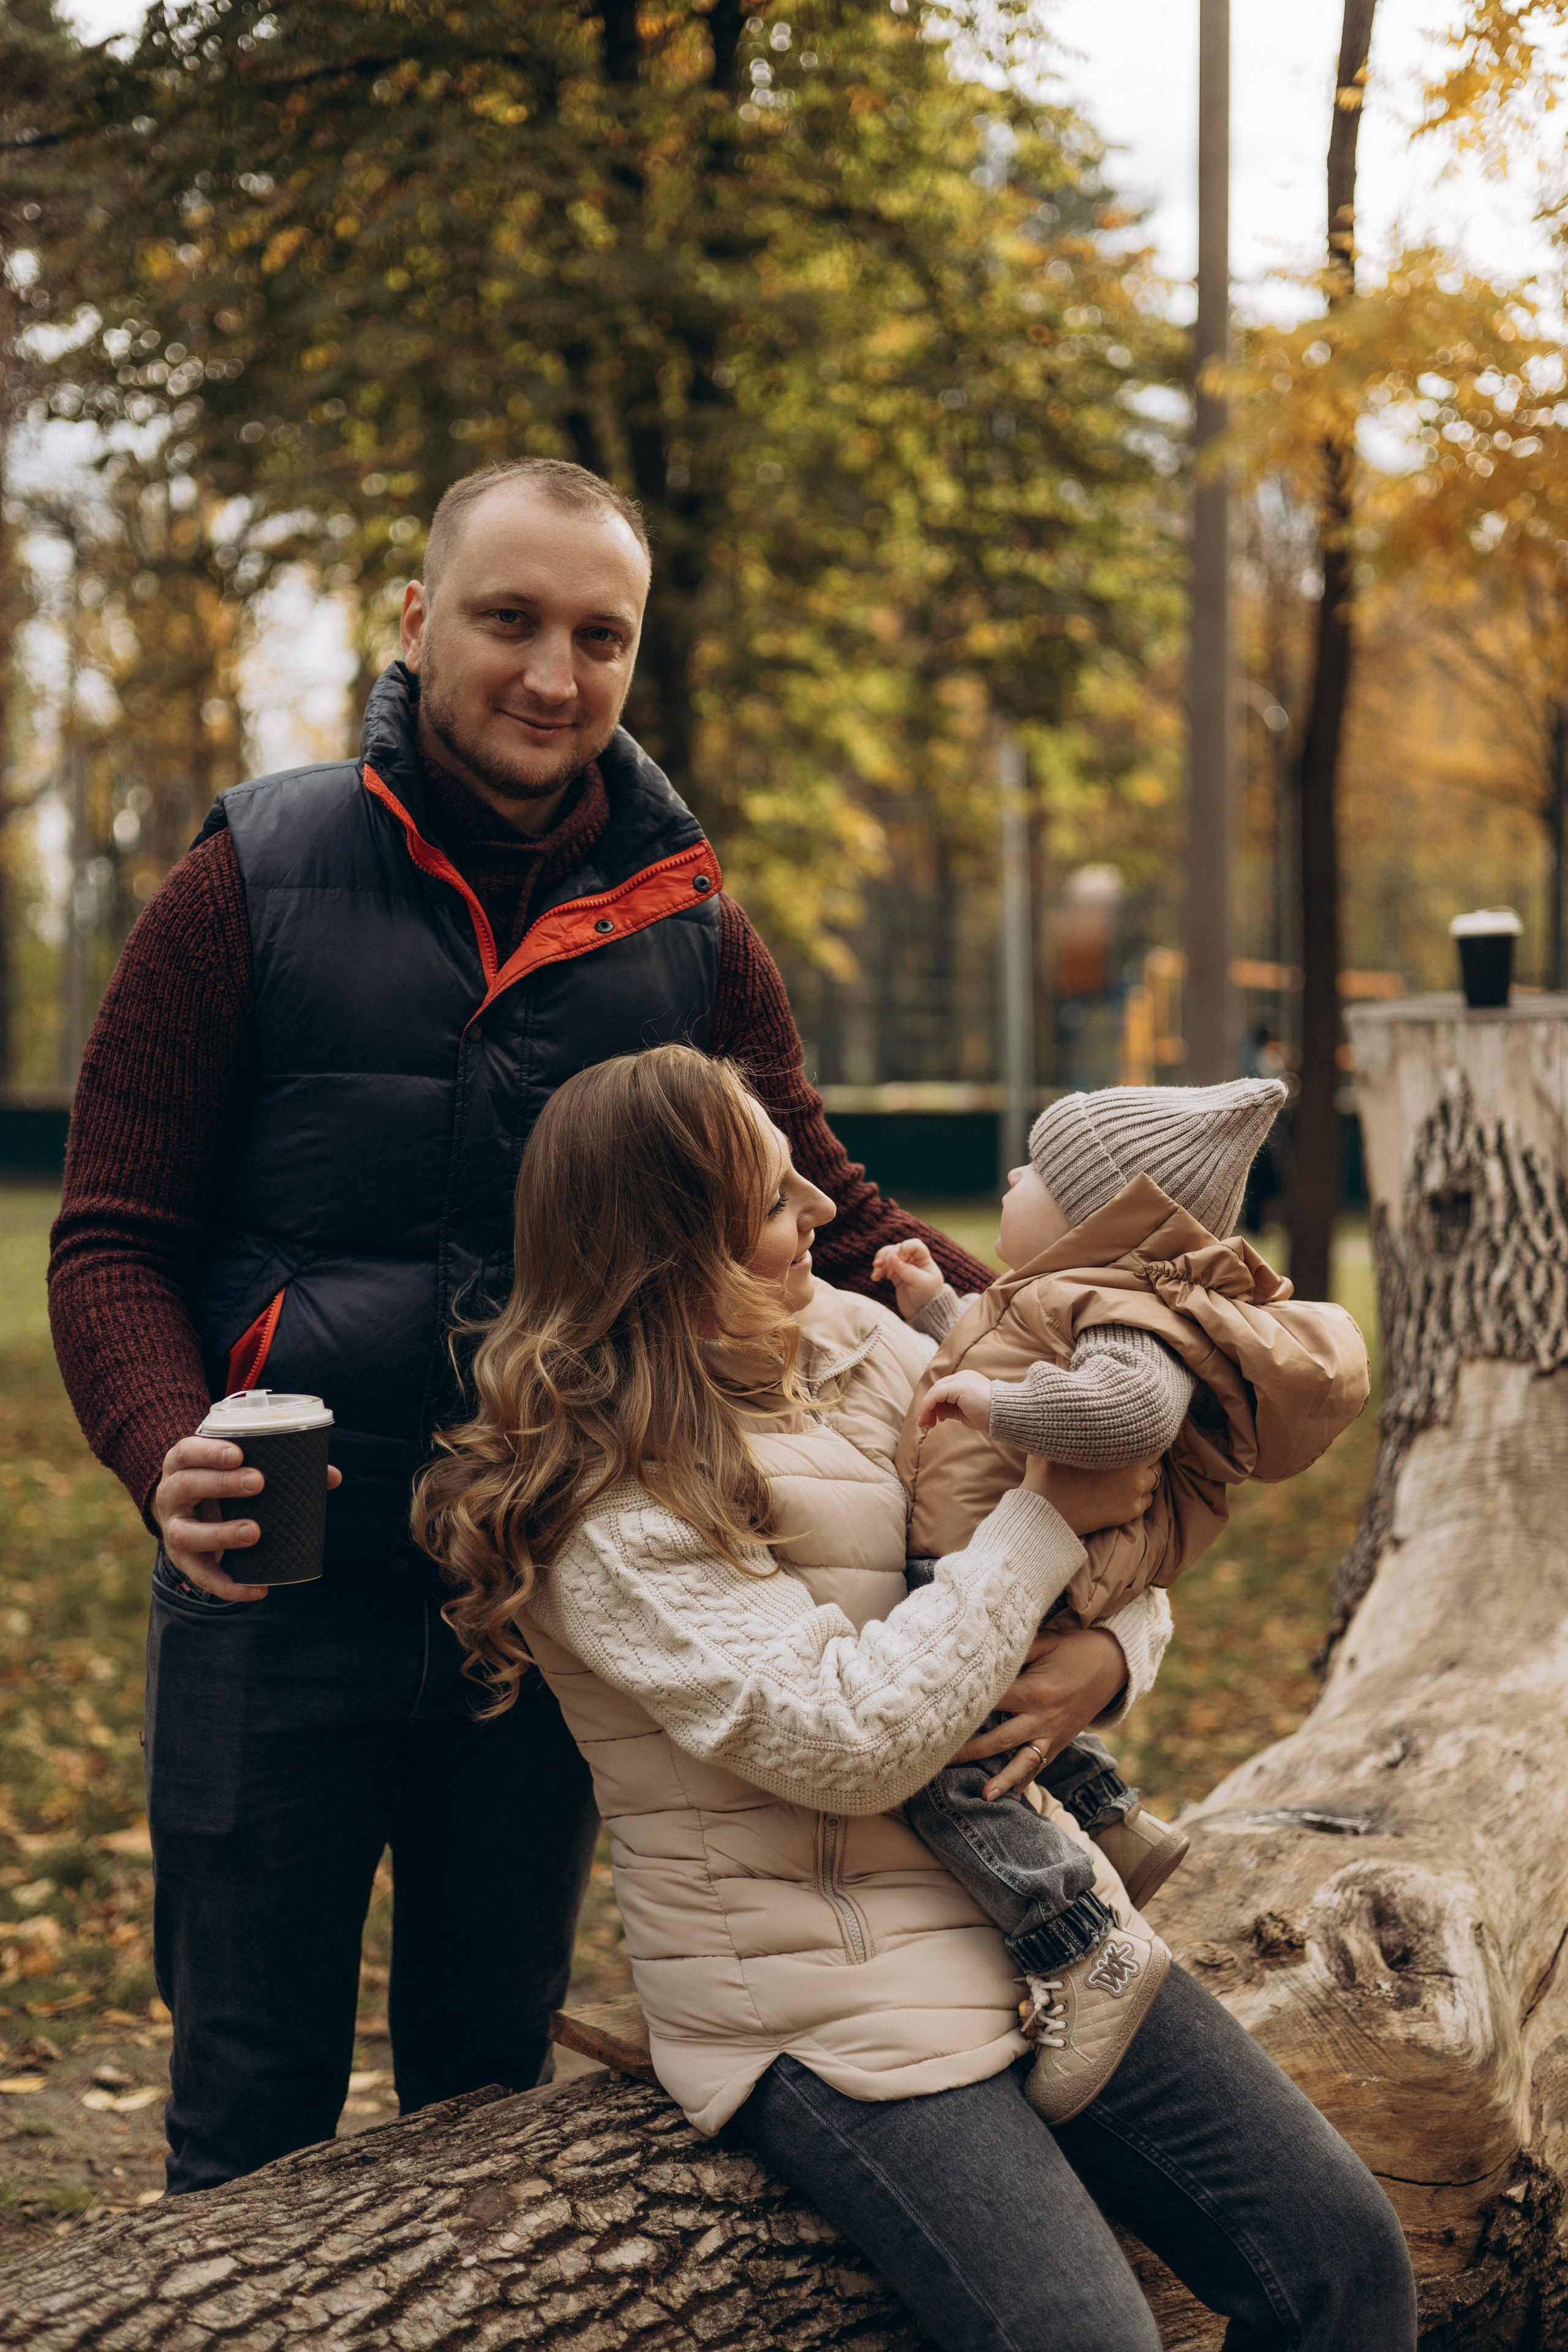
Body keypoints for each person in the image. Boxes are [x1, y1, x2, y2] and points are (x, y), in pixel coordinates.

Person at [46, 456, 992, 2196]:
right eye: (511, 619)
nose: (554, 674)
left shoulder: (692, 928)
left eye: (600, 635)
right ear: (418, 623)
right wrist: (156, 1435)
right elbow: (112, 1232)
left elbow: (831, 1210)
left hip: (557, 1604)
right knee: (246, 2114)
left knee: (484, 2114)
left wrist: (1022, 1320)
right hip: (277, 1592)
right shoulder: (248, 875)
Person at [413, 1045, 1415, 2352]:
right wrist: (1042, 1531)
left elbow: (1122, 1525)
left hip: (1051, 1931)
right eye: (777, 1203)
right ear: (679, 1247)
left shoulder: (853, 1343)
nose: (824, 1215)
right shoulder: (605, 1508)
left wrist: (1112, 1661)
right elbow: (849, 1741)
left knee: (1343, 2266)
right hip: (818, 1994)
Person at [875, 1078, 1370, 2121]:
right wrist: (933, 1312)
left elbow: (1126, 1414)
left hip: (1003, 1568)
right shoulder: (1070, 1298)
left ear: (1099, 1217)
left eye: (1033, 1171)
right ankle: (1117, 1824)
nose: (1010, 1178)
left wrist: (998, 1408)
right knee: (998, 1732)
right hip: (986, 1563)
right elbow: (1001, 1346)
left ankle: (1077, 1945)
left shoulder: (1126, 1315)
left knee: (949, 1771)